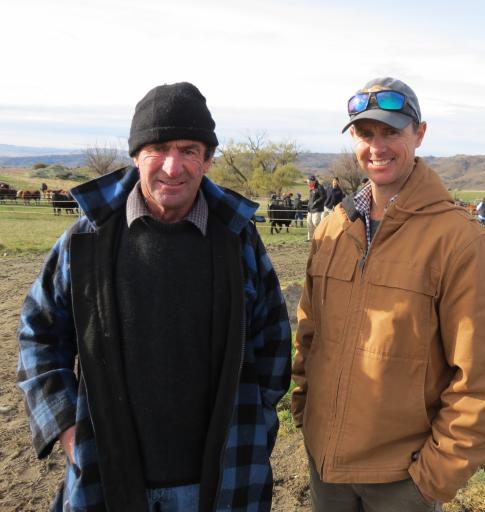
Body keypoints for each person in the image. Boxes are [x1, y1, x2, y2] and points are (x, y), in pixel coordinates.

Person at [16, 82, 292, 512]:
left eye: (189, 149)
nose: (172, 166)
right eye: (157, 148)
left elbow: (272, 342)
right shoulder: (87, 240)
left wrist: (256, 425)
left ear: (208, 158)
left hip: (219, 483)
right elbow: (39, 333)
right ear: (135, 155)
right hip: (108, 477)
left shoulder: (237, 240)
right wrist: (67, 428)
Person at [292, 77, 485, 511]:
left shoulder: (460, 242)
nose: (377, 147)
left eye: (391, 132)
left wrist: (431, 480)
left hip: (402, 483)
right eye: (365, 133)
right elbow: (309, 335)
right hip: (326, 471)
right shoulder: (333, 229)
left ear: (420, 134)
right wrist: (306, 416)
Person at [306, 174, 326, 241]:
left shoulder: (319, 187)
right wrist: (308, 205)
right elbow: (311, 198)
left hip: (317, 209)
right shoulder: (311, 188)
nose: (308, 183)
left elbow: (323, 196)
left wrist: (316, 202)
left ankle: (322, 235)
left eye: (309, 182)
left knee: (316, 222)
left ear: (313, 181)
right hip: (310, 209)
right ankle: (310, 238)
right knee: (309, 224)